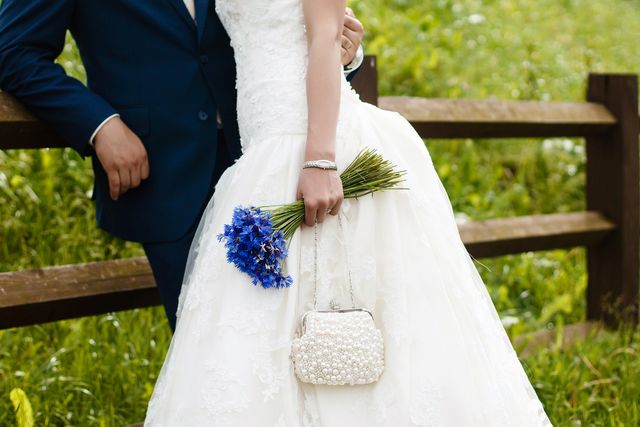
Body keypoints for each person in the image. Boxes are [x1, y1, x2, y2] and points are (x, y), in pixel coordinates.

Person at [143, 0, 554, 425]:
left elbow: (324, 35)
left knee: (351, 303)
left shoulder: (317, 155)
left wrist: (320, 160)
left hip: (314, 146)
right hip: (261, 153)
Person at [0, 0, 364, 332]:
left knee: (315, 329)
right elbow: (13, 51)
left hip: (276, 163)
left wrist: (343, 51)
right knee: (214, 349)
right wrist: (100, 125)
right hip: (165, 176)